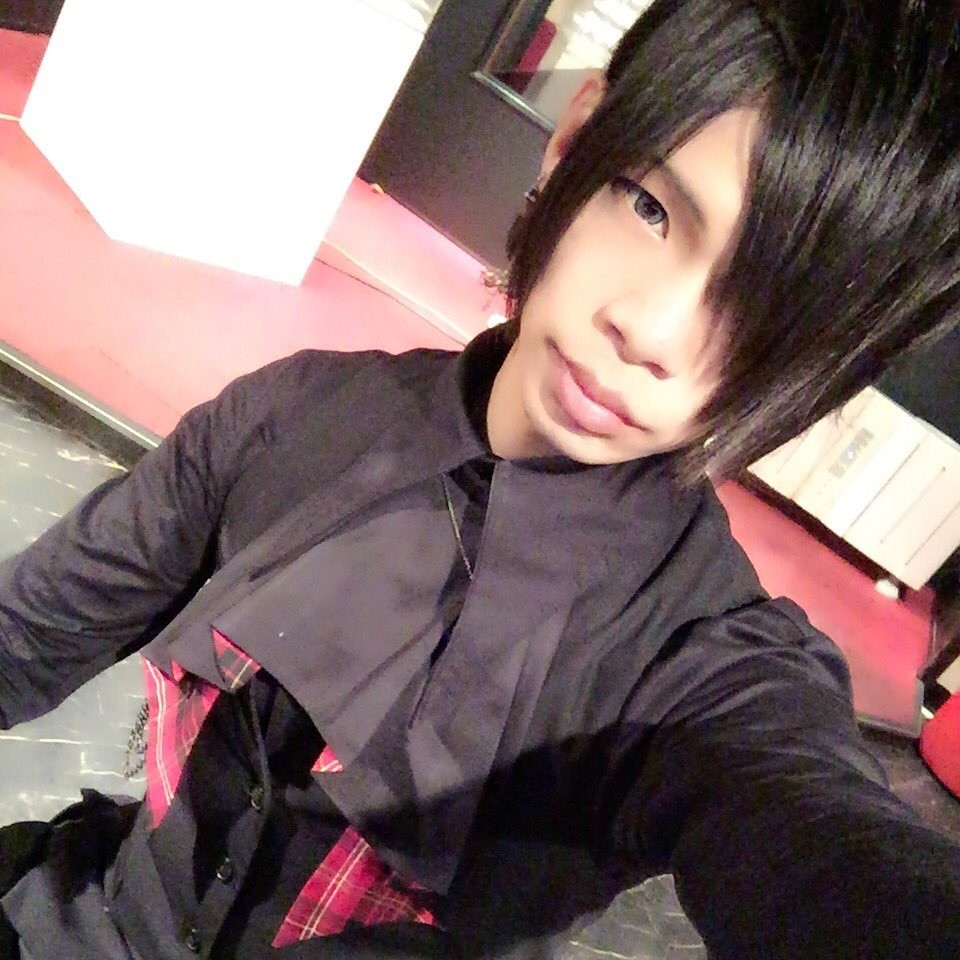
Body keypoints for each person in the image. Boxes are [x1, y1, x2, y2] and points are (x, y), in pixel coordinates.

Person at [2, 0, 960, 957]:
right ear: (575, 140)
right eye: (651, 207)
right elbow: (29, 628)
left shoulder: (701, 659)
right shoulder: (291, 416)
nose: (651, 331)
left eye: (766, 313)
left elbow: (817, 832)